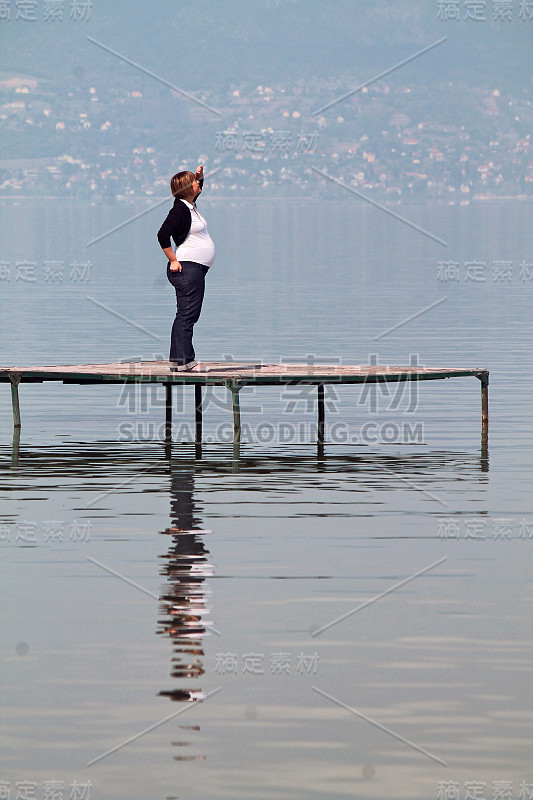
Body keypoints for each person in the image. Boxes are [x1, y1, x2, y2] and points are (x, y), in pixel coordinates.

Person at [157, 165, 216, 371]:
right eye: (193, 182)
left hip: (194, 270)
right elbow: (162, 235)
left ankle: (177, 360)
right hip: (187, 269)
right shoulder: (179, 210)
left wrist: (200, 177)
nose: (197, 184)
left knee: (185, 314)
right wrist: (173, 259)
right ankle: (186, 362)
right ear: (186, 189)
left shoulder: (188, 205)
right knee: (188, 314)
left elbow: (198, 189)